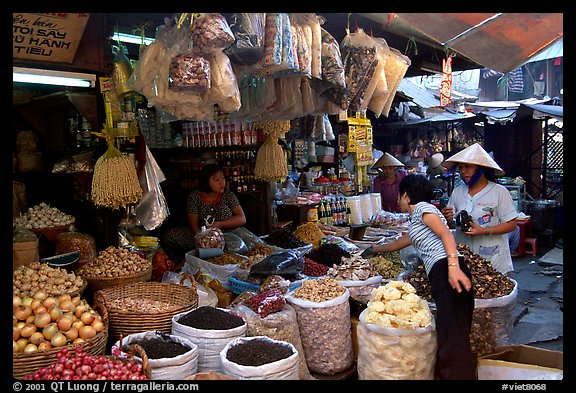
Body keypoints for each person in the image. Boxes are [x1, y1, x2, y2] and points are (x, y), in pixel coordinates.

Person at [362, 174, 476, 380]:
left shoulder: (423, 208)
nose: (397, 200)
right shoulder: (418, 220)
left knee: (453, 340)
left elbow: (446, 234)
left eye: (399, 195)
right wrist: (375, 249)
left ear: (406, 195)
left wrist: (452, 267)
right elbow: (403, 241)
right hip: (447, 270)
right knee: (455, 334)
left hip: (447, 270)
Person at [440, 143, 517, 274]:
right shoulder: (457, 192)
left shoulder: (499, 192)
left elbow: (511, 224)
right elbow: (453, 223)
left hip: (493, 260)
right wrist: (448, 218)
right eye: (460, 167)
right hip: (465, 258)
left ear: (481, 168)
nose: (463, 171)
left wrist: (484, 230)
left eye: (467, 167)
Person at [160, 163, 247, 263]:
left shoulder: (228, 195)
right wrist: (204, 241)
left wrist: (220, 225)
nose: (222, 182)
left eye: (223, 178)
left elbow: (242, 218)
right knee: (170, 235)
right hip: (200, 236)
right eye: (216, 180)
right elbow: (194, 226)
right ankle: (182, 261)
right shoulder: (195, 197)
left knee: (238, 245)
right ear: (206, 181)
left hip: (225, 236)